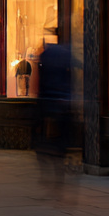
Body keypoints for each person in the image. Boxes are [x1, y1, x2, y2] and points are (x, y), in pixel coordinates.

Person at [33, 28, 74, 196]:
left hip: (47, 103)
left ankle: (47, 178)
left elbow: (37, 82)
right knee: (59, 145)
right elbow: (72, 80)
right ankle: (58, 180)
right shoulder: (67, 55)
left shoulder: (45, 56)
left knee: (42, 144)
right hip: (63, 103)